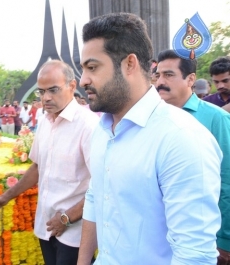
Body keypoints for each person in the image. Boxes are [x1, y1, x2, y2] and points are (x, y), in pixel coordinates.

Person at [77, 13, 222, 265]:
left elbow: (194, 255)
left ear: (129, 64)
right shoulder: (102, 130)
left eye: (92, 67)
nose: (83, 80)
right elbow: (95, 198)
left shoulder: (181, 138)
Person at [0, 60, 99, 265]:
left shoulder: (88, 125)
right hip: (47, 226)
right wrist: (6, 196)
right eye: (41, 92)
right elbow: (38, 167)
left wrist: (67, 218)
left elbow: (102, 184)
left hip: (74, 231)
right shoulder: (45, 122)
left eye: (53, 90)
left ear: (72, 86)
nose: (46, 97)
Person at [155, 49, 230, 264]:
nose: (160, 82)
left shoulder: (217, 119)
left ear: (191, 79)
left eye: (169, 75)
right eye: (157, 75)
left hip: (202, 238)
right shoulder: (150, 118)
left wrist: (224, 239)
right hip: (161, 236)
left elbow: (226, 181)